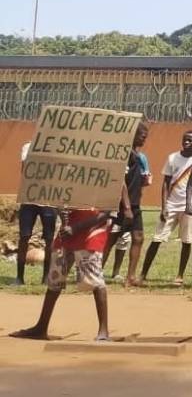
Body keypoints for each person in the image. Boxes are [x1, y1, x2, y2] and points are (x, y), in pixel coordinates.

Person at [10, 207, 114, 342]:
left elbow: (106, 213)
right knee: (55, 279)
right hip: (66, 234)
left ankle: (103, 330)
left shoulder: (105, 188)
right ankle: (41, 327)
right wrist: (63, 215)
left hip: (90, 233)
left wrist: (76, 227)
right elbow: (59, 198)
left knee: (94, 280)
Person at [140, 130, 192, 286]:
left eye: (190, 140)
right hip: (172, 204)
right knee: (157, 238)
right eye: (185, 139)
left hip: (190, 205)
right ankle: (143, 274)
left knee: (187, 241)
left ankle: (180, 275)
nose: (187, 142)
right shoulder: (173, 158)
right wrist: (164, 206)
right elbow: (166, 183)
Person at [101, 122, 149, 287]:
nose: (144, 139)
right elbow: (120, 180)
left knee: (138, 238)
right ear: (133, 135)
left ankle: (130, 277)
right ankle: (94, 274)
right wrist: (127, 207)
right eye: (142, 136)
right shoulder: (126, 153)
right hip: (122, 206)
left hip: (135, 205)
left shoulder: (138, 155)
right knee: (110, 240)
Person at [15, 143, 58, 286]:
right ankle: (19, 277)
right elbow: (25, 169)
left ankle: (46, 277)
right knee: (24, 236)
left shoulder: (57, 148)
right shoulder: (27, 146)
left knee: (49, 239)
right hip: (29, 198)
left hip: (49, 198)